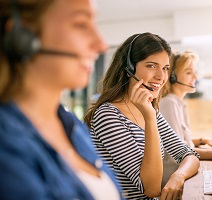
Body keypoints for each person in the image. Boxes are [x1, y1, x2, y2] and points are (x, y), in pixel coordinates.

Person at [0, 0, 122, 199]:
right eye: (81, 25)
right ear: (21, 36)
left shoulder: (72, 125)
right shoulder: (6, 143)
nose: (101, 44)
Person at [84, 32, 200, 200]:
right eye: (151, 66)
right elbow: (151, 188)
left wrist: (178, 177)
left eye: (165, 68)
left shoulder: (149, 110)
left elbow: (189, 154)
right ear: (129, 68)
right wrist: (150, 118)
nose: (161, 77)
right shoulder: (108, 115)